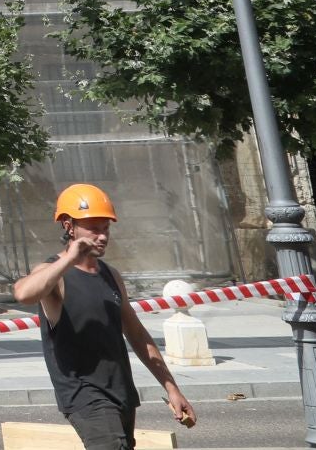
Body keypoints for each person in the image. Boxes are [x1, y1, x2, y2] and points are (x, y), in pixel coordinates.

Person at [12, 183, 197, 450]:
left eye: (106, 228)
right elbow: (23, 293)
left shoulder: (110, 275)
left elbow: (137, 334)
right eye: (94, 228)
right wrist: (69, 258)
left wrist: (171, 387)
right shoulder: (54, 273)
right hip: (84, 396)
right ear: (68, 226)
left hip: (121, 392)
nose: (102, 236)